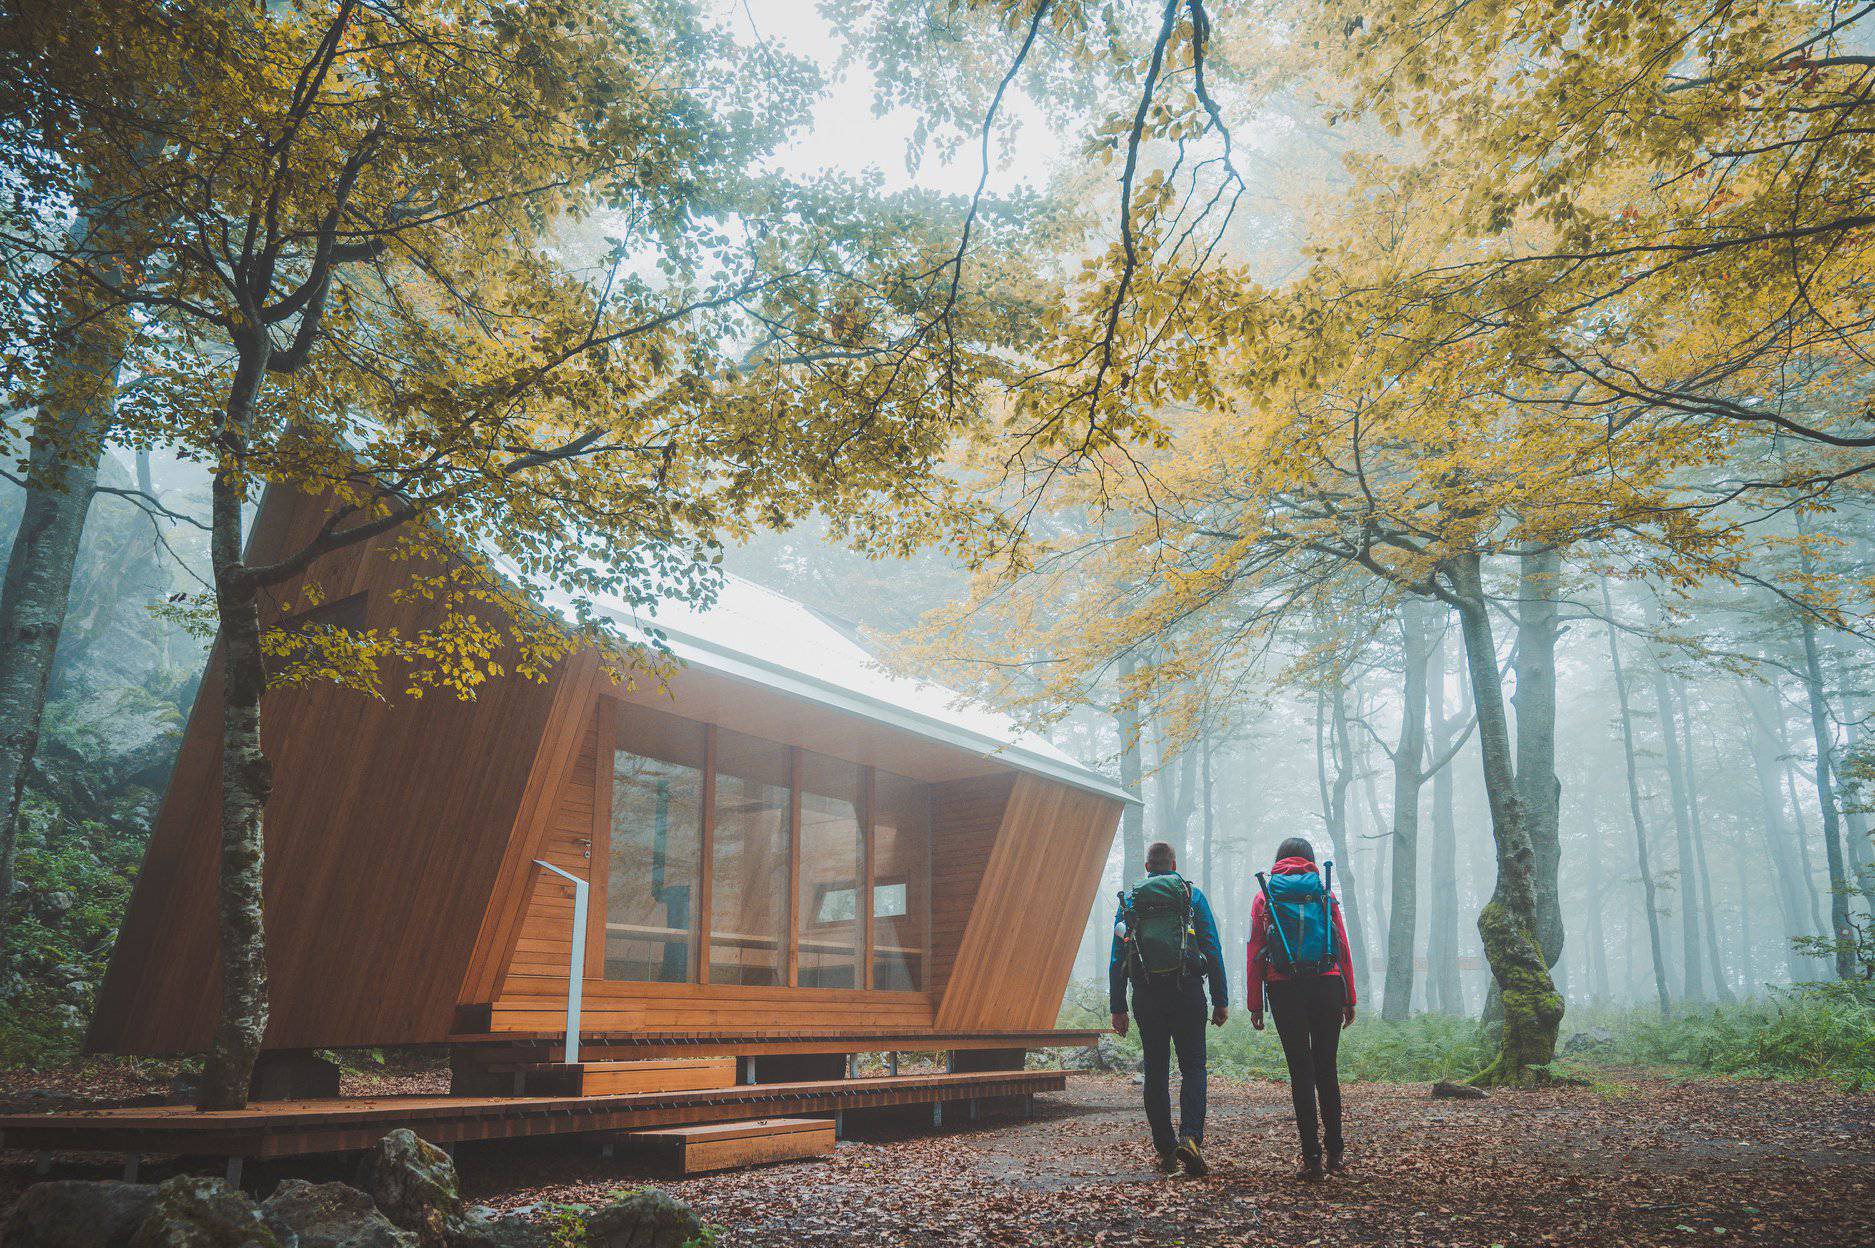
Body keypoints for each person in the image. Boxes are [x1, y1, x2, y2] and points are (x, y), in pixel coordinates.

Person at [1109, 840, 1228, 1177]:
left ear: (1148, 867)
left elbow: (1118, 957)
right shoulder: (1191, 896)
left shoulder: (1130, 901)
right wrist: (1221, 999)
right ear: (1174, 864)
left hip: (1147, 994)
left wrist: (1118, 1007)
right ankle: (1190, 1138)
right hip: (1188, 991)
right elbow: (1212, 948)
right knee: (1193, 1067)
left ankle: (1165, 1150)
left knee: (1156, 1070)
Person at [1245, 836, 1357, 1182]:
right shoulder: (1323, 891)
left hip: (1284, 988)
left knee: (1301, 1072)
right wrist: (1348, 996)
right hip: (1326, 984)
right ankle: (1336, 1152)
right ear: (1309, 860)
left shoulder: (1266, 895)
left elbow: (1255, 950)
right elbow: (1341, 945)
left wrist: (1254, 1004)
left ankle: (1312, 1158)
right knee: (1327, 1069)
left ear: (1279, 860)